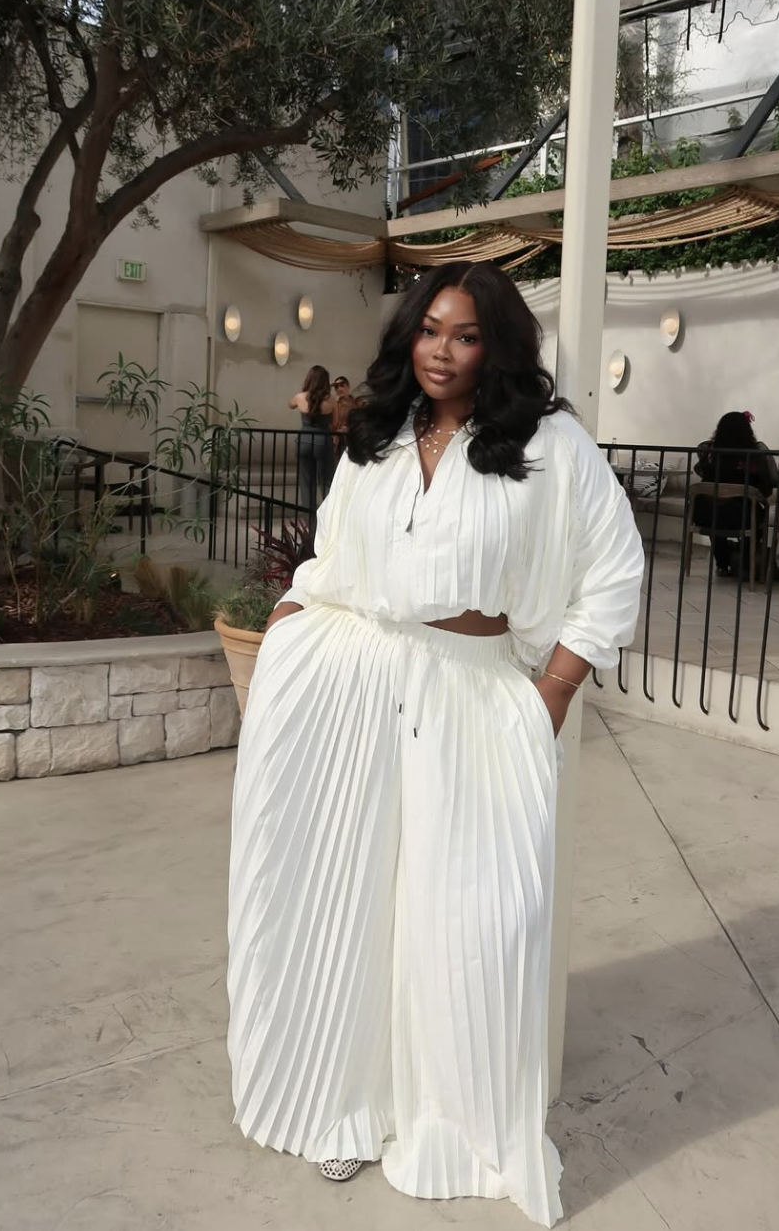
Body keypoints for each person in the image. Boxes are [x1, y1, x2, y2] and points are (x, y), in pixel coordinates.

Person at [227, 262, 644, 1227]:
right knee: (344, 897)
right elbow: (332, 552)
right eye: (427, 331)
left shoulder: (551, 445)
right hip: (356, 682)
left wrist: (549, 697)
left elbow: (613, 575)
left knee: (467, 926)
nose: (442, 352)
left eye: (463, 336)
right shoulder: (375, 435)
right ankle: (343, 1102)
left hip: (473, 693)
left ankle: (447, 1126)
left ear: (496, 345)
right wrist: (294, 622)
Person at [693, 411, 778, 577]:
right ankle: (747, 563)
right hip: (741, 515)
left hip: (704, 514)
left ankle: (722, 564)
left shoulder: (709, 453)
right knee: (754, 513)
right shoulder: (755, 454)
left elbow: (700, 472)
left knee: (715, 505)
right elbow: (768, 485)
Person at [289, 365, 335, 518]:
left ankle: (310, 524)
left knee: (306, 483)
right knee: (327, 481)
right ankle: (328, 520)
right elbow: (334, 424)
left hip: (304, 440)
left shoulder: (300, 397)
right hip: (323, 441)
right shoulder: (331, 401)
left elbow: (290, 405)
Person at [330, 375, 358, 461]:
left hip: (351, 438)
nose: (339, 388)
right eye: (336, 386)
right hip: (336, 439)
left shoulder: (355, 403)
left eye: (342, 385)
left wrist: (349, 428)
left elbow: (360, 422)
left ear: (348, 386)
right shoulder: (334, 403)